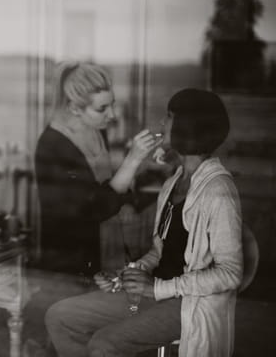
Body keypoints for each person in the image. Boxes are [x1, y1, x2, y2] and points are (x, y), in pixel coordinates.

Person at [45, 88, 243, 357]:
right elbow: (160, 251)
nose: (162, 124)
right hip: (154, 293)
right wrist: (129, 274)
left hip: (187, 304)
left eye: (169, 117)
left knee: (104, 343)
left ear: (187, 126)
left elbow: (231, 273)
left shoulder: (218, 190)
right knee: (60, 316)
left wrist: (157, 288)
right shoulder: (175, 182)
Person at [35, 62, 158, 276]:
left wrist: (129, 199)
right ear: (74, 107)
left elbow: (105, 186)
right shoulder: (53, 146)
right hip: (73, 263)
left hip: (107, 246)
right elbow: (89, 210)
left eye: (112, 104)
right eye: (102, 108)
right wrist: (132, 160)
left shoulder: (95, 130)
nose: (112, 115)